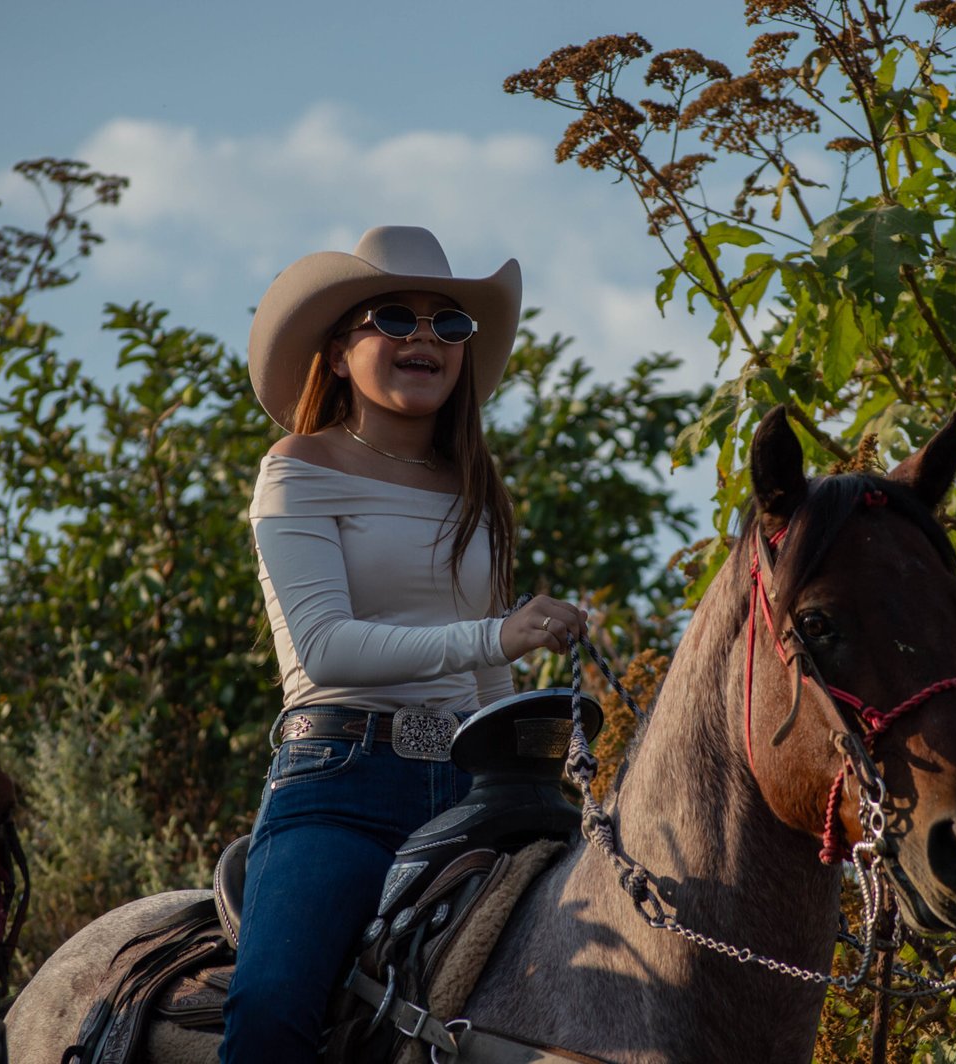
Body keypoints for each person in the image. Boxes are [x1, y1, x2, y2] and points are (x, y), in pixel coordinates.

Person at [221, 226, 587, 1062]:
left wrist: (537, 754)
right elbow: (326, 649)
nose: (425, 336)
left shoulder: (473, 486)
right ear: (339, 352)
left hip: (474, 783)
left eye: (448, 324)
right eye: (394, 317)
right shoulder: (299, 467)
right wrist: (499, 632)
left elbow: (487, 671)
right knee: (272, 1013)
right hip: (343, 785)